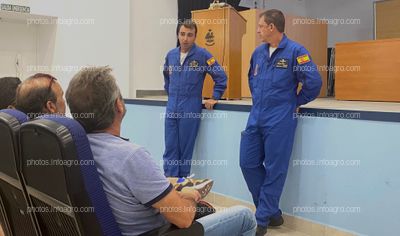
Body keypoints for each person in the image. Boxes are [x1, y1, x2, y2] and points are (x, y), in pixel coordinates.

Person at [66, 66, 256, 236]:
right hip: (156, 231)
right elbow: (184, 218)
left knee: (205, 212)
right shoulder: (131, 156)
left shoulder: (77, 149)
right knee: (245, 216)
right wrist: (190, 195)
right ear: (119, 105)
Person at [239, 9, 322, 236]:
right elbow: (251, 78)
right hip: (256, 116)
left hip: (281, 118)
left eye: (260, 26)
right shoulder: (258, 53)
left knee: (275, 169)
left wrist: (297, 101)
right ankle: (272, 212)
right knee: (246, 162)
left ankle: (263, 219)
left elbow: (314, 82)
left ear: (272, 27)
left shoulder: (296, 51)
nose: (257, 30)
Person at [163, 19, 227, 178]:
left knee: (185, 149)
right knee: (170, 148)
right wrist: (170, 93)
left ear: (195, 36)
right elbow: (166, 76)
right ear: (178, 35)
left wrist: (215, 96)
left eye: (189, 35)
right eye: (182, 34)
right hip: (172, 108)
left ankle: (183, 184)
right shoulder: (171, 55)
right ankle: (170, 184)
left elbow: (221, 76)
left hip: (190, 108)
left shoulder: (202, 55)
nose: (185, 38)